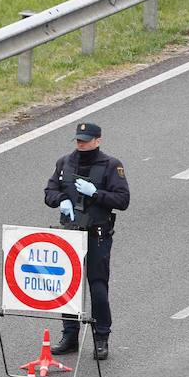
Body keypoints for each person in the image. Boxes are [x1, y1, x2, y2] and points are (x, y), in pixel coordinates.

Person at [42, 121, 130, 360]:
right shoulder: (65, 163)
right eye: (79, 140)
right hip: (70, 233)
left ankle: (101, 337)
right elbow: (49, 192)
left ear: (98, 140)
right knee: (66, 286)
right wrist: (61, 199)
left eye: (86, 140)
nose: (81, 144)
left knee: (98, 287)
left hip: (97, 234)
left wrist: (96, 193)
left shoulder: (111, 165)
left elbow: (122, 200)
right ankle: (70, 336)